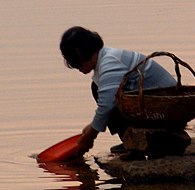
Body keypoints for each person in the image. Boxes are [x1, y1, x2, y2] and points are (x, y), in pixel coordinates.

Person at [60, 26, 176, 156]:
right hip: (150, 101)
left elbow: (108, 104)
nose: (77, 68)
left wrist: (90, 136)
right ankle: (130, 140)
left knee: (103, 94)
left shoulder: (110, 62)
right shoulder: (106, 58)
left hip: (165, 105)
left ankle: (135, 145)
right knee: (97, 87)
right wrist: (92, 125)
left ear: (79, 54)